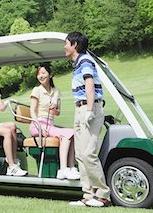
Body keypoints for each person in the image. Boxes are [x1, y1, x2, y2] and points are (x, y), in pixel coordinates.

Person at [65, 32, 111, 207]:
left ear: (74, 45)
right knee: (80, 154)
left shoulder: (85, 61)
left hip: (88, 108)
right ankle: (88, 194)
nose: (64, 46)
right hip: (79, 108)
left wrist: (89, 110)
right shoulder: (77, 64)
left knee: (88, 153)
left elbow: (89, 85)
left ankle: (103, 195)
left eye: (66, 43)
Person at [29, 64, 80, 180]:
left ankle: (72, 167)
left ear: (50, 75)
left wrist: (54, 110)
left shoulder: (56, 92)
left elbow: (57, 113)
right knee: (67, 134)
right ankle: (63, 169)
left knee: (73, 133)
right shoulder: (37, 90)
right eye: (39, 74)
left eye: (43, 73)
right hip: (38, 125)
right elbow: (32, 111)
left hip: (50, 125)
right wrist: (39, 128)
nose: (41, 76)